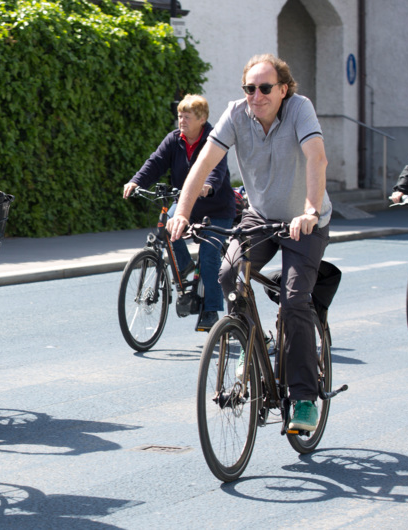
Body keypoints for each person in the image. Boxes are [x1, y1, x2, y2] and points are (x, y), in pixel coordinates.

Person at [165, 54, 331, 433]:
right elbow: (203, 163)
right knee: (227, 274)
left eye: (265, 88)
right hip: (260, 216)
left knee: (294, 300)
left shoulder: (300, 110)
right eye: (250, 88)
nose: (256, 95)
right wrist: (182, 212)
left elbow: (316, 158)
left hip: (305, 219)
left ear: (283, 90)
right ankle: (250, 343)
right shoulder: (237, 113)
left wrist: (309, 210)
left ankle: (304, 398)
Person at [123, 94, 236, 332]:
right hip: (186, 203)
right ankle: (184, 267)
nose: (181, 121)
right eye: (179, 116)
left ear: (202, 119)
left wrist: (208, 186)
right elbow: (155, 162)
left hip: (216, 208)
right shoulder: (174, 140)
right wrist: (136, 181)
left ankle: (210, 310)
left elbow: (216, 170)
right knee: (167, 227)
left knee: (208, 255)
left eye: (187, 117)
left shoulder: (214, 139)